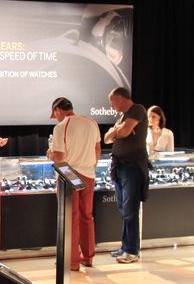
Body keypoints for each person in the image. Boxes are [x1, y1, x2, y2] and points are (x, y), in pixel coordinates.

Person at [46, 97, 101, 271]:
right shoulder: (91, 122)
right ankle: (88, 257)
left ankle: (72, 261)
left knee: (70, 217)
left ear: (57, 111)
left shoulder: (61, 126)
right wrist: (91, 165)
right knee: (87, 216)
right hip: (88, 172)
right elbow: (97, 149)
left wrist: (49, 153)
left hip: (69, 172)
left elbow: (59, 157)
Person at [104, 88, 149, 263]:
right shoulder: (122, 117)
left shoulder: (137, 109)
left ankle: (131, 250)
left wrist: (118, 131)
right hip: (120, 166)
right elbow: (107, 138)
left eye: (113, 102)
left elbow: (121, 133)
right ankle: (125, 246)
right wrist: (119, 130)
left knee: (130, 210)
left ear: (120, 98)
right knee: (124, 209)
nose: (112, 106)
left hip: (132, 167)